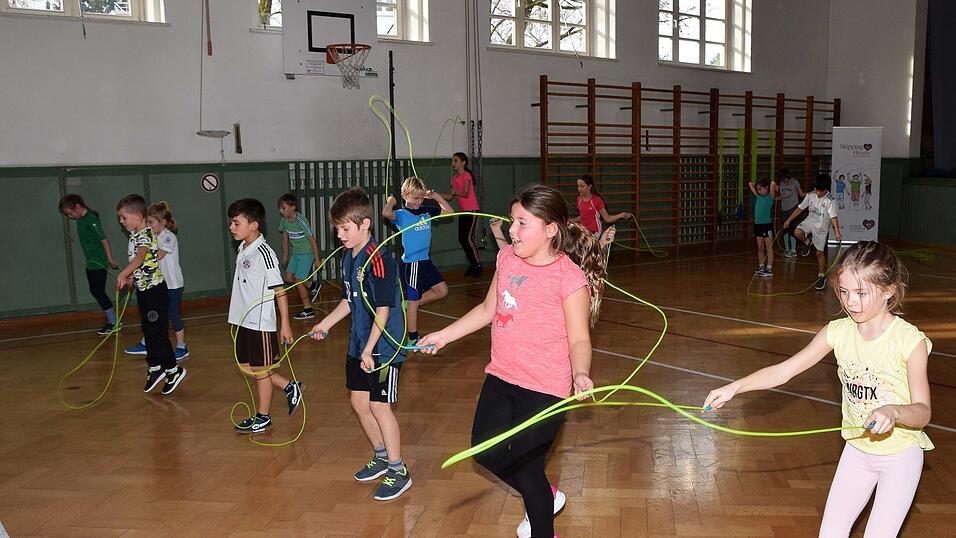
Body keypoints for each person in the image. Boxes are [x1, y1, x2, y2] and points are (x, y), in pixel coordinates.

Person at [704, 241, 932, 538]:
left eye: (862, 293)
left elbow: (923, 412)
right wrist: (735, 387)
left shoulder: (908, 341)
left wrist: (893, 411)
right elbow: (785, 370)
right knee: (831, 533)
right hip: (857, 449)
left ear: (889, 290)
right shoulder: (837, 332)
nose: (851, 302)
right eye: (844, 291)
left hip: (901, 455)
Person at [418, 184, 605, 538]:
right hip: (503, 375)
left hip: (545, 387)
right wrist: (444, 335)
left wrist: (581, 373)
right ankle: (544, 495)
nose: (510, 231)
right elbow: (489, 309)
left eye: (521, 223)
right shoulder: (506, 259)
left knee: (527, 465)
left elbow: (580, 337)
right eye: (511, 221)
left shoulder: (569, 279)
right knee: (484, 451)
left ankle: (542, 519)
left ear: (550, 230)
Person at [310, 187, 412, 501]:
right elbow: (349, 300)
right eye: (337, 229)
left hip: (383, 348)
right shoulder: (347, 258)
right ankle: (381, 456)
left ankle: (399, 469)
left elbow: (384, 309)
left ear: (365, 224)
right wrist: (325, 323)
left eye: (345, 229)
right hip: (358, 344)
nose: (340, 235)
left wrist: (370, 349)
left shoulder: (380, 260)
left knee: (379, 406)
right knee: (359, 403)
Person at [227, 198, 301, 434]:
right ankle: (289, 386)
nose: (231, 227)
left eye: (236, 223)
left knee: (259, 371)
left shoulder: (265, 253)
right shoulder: (243, 247)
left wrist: (285, 325)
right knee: (250, 367)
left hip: (259, 323)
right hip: (241, 320)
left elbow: (280, 290)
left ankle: (263, 416)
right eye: (231, 223)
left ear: (253, 225)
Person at [115, 194, 186, 395]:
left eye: (123, 217)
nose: (121, 221)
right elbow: (143, 264)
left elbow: (141, 256)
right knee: (149, 330)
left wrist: (124, 272)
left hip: (155, 292)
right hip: (144, 291)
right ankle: (155, 367)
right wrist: (132, 277)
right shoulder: (135, 236)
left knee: (158, 333)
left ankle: (173, 370)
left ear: (137, 216)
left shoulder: (146, 235)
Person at [382, 176, 454, 346]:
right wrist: (391, 202)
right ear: (405, 195)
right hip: (412, 263)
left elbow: (449, 212)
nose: (418, 201)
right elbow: (386, 213)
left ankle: (409, 305)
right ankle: (413, 337)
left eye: (421, 197)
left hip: (425, 262)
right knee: (414, 302)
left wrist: (434, 196)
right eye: (415, 197)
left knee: (442, 290)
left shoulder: (426, 211)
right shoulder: (401, 215)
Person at [125, 202, 188, 359]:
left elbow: (156, 256)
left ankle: (182, 346)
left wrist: (137, 259)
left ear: (163, 222)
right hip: (158, 283)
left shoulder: (168, 237)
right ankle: (146, 343)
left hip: (173, 284)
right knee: (154, 315)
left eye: (151, 222)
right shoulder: (150, 237)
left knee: (173, 314)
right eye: (146, 222)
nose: (148, 225)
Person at [58, 194, 121, 335]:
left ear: (77, 207)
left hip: (99, 262)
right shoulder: (81, 220)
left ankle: (114, 321)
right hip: (90, 262)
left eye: (70, 213)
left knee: (98, 291)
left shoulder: (91, 220)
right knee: (95, 290)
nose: (70, 216)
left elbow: (103, 239)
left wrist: (110, 259)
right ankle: (112, 320)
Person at [783, 173, 842, 291]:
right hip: (810, 221)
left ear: (827, 189)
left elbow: (833, 218)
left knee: (819, 253)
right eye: (816, 190)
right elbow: (800, 208)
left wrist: (837, 232)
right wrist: (789, 220)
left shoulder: (831, 201)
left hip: (821, 227)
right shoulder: (810, 195)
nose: (818, 193)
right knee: (797, 232)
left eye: (821, 191)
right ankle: (807, 241)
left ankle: (821, 276)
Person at [277, 193, 321, 320]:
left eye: (283, 208)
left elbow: (312, 240)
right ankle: (313, 285)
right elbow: (285, 240)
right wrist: (285, 257)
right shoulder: (284, 221)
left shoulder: (301, 220)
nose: (281, 211)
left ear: (293, 207)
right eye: (280, 208)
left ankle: (308, 309)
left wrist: (317, 258)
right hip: (296, 254)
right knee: (289, 278)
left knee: (298, 280)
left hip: (307, 253)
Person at [443, 152, 483, 277]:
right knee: (462, 239)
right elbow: (450, 196)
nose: (453, 163)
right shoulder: (454, 178)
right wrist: (434, 195)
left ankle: (478, 265)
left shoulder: (466, 176)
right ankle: (473, 264)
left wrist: (455, 191)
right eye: (453, 161)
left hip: (472, 210)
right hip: (463, 211)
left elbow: (465, 193)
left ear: (463, 163)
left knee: (468, 238)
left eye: (456, 161)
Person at [574, 174, 633, 239]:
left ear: (589, 186)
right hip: (584, 232)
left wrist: (621, 215)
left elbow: (607, 218)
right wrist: (570, 221)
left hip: (595, 231)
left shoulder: (596, 200)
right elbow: (583, 216)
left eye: (582, 186)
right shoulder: (579, 199)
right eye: (578, 186)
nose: (579, 189)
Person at [748, 178, 777, 278]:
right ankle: (761, 267)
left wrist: (771, 185)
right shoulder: (758, 196)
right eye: (758, 189)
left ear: (766, 188)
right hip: (758, 225)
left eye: (761, 189)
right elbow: (750, 184)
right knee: (760, 248)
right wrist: (757, 185)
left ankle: (769, 269)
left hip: (766, 225)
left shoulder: (770, 197)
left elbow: (773, 183)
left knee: (769, 248)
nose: (759, 191)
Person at [775, 168, 805, 258]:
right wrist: (775, 198)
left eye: (786, 178)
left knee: (792, 228)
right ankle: (787, 249)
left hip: (793, 208)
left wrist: (813, 193)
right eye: (783, 179)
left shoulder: (794, 182)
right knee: (785, 229)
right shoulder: (780, 184)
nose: (785, 181)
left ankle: (793, 250)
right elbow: (782, 196)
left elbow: (802, 194)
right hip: (784, 209)